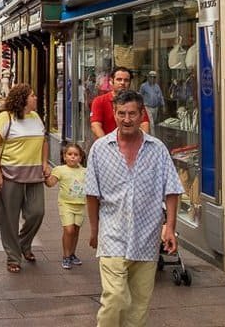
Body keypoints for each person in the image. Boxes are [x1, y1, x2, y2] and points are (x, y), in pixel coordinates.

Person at [86, 90, 184, 327]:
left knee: (139, 308)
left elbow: (171, 190)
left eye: (132, 113)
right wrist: (94, 230)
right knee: (115, 298)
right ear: (114, 114)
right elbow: (92, 194)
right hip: (112, 234)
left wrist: (169, 228)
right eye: (121, 113)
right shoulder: (100, 149)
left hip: (146, 237)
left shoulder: (157, 149)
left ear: (142, 115)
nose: (126, 119)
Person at [0, 83, 49, 273]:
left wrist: (45, 163)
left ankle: (23, 243)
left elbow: (44, 141)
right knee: (9, 218)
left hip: (34, 175)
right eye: (32, 95)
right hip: (10, 175)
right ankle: (13, 256)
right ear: (23, 100)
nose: (36, 98)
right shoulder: (4, 118)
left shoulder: (36, 117)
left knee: (36, 212)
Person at [45, 143, 87, 270]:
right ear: (64, 156)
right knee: (69, 230)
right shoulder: (60, 169)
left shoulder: (85, 171)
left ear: (80, 158)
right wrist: (45, 175)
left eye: (76, 155)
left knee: (76, 230)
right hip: (66, 205)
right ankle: (66, 256)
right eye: (69, 154)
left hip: (80, 205)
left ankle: (73, 253)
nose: (72, 157)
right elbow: (50, 183)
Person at [90, 67, 150, 139]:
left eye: (126, 80)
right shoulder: (99, 101)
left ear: (130, 83)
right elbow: (95, 125)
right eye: (119, 79)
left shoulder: (136, 100)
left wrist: (141, 142)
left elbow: (144, 124)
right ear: (112, 81)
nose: (122, 83)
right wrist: (107, 145)